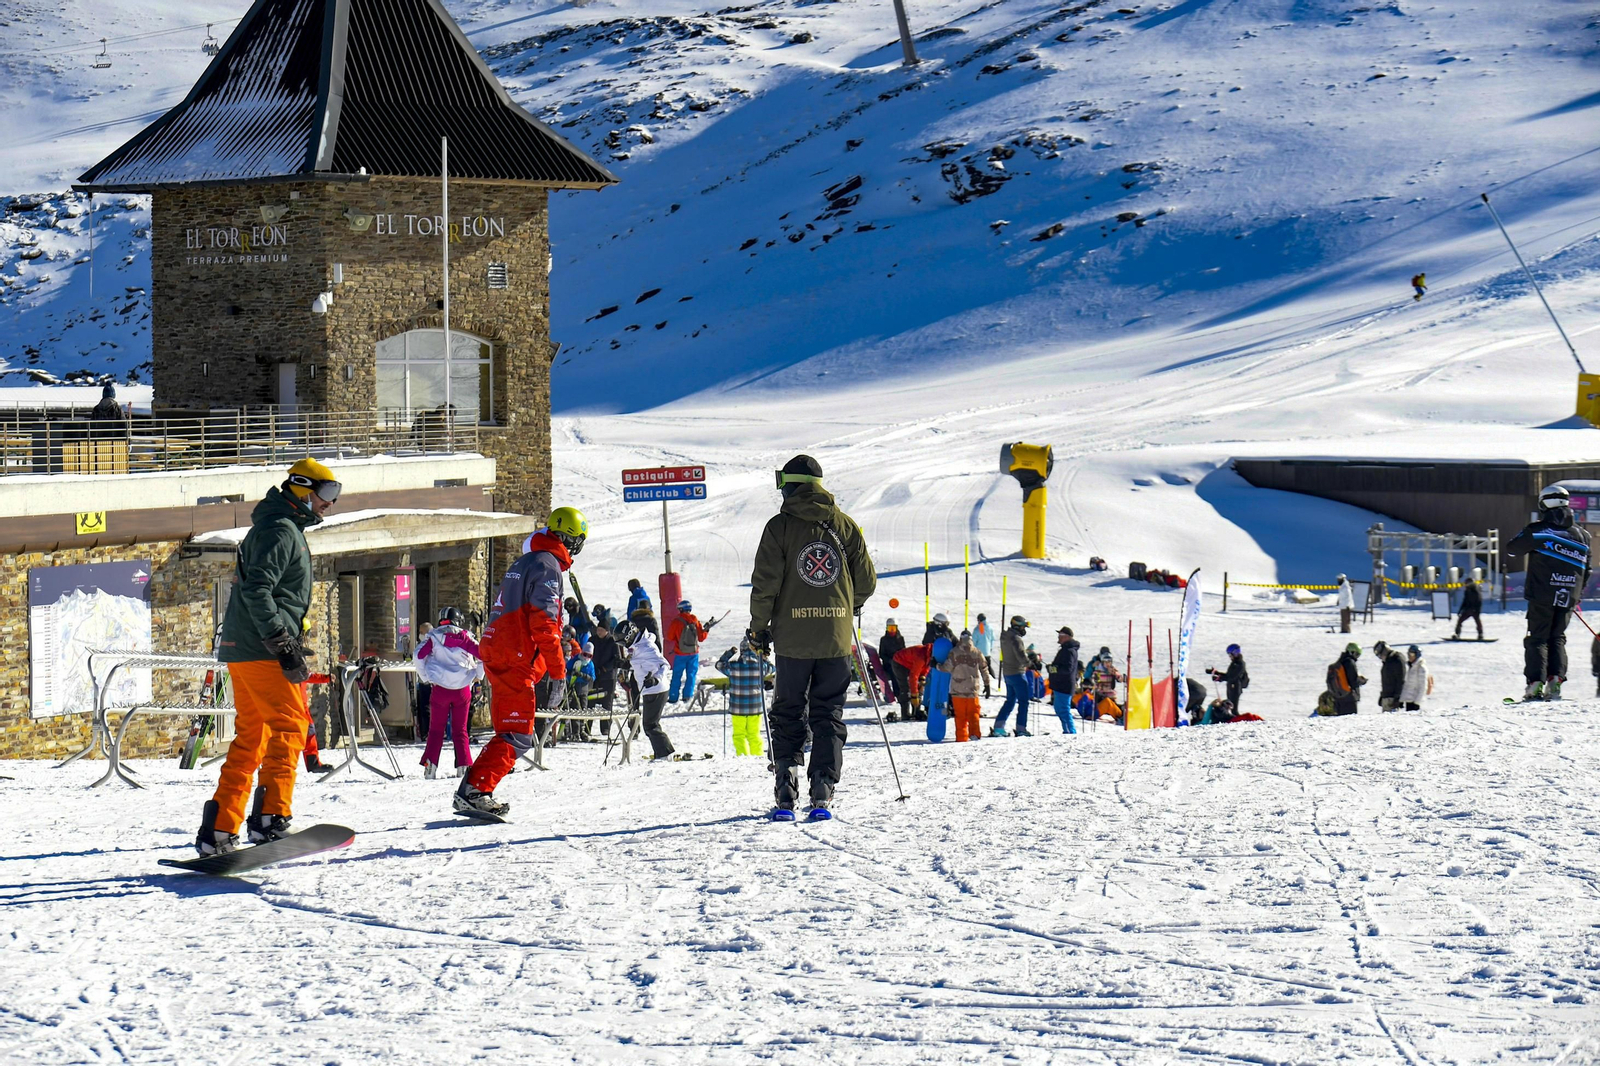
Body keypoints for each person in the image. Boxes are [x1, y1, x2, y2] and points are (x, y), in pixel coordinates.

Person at [195, 458, 339, 855]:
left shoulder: (277, 527)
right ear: (301, 488)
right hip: (261, 649)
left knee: (252, 737)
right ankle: (271, 819)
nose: (330, 503)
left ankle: (220, 829)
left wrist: (290, 634)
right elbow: (258, 590)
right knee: (291, 727)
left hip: (245, 648)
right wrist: (281, 640)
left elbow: (268, 593)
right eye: (327, 493)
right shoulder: (280, 531)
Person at [748, 454, 877, 818]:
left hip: (792, 641)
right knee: (828, 712)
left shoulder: (779, 527)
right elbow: (866, 582)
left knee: (788, 711)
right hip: (836, 640)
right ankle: (823, 784)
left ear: (790, 485)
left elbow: (765, 585)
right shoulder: (845, 526)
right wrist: (844, 609)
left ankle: (786, 784)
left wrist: (760, 628)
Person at [455, 507, 587, 817]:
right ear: (572, 540)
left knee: (509, 732)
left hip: (501, 651)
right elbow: (544, 624)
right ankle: (475, 790)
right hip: (516, 658)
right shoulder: (548, 566)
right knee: (517, 735)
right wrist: (558, 672)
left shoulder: (526, 561)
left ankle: (476, 789)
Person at [1505, 485, 1592, 700]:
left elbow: (1512, 548)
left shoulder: (1538, 530)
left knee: (1538, 638)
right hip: (1569, 594)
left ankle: (1535, 683)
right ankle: (1555, 681)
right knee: (1558, 637)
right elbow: (1587, 569)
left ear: (1544, 504)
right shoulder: (1583, 535)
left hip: (1542, 593)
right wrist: (1577, 593)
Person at [414, 606, 483, 779]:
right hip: (462, 689)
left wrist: (425, 676)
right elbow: (484, 654)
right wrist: (478, 676)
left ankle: (430, 766)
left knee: (435, 729)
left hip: (440, 689)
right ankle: (463, 766)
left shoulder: (434, 637)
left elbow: (418, 655)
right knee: (460, 730)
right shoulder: (466, 637)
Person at [627, 623, 676, 758]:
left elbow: (665, 664)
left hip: (656, 688)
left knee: (650, 725)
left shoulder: (647, 647)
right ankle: (663, 751)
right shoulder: (638, 646)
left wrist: (656, 679)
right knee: (650, 725)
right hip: (649, 689)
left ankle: (665, 753)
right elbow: (640, 664)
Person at [717, 639, 767, 757]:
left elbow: (719, 665)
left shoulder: (733, 667)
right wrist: (763, 656)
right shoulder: (760, 666)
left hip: (737, 707)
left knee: (739, 735)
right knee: (754, 734)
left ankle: (743, 755)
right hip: (755, 707)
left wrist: (729, 654)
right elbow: (772, 668)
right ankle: (758, 755)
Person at [990, 615, 1031, 737]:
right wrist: (1031, 663)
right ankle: (1021, 729)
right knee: (1023, 701)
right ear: (1017, 626)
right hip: (1017, 673)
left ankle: (998, 727)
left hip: (1007, 673)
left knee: (1010, 701)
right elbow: (1020, 656)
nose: (1024, 630)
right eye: (1023, 627)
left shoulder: (1006, 636)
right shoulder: (1016, 639)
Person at [666, 600, 713, 704]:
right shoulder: (695, 620)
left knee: (677, 675)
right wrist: (706, 630)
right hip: (693, 653)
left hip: (680, 653)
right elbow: (701, 638)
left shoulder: (676, 621)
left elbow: (669, 636)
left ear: (681, 609)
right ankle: (687, 696)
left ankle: (673, 697)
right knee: (691, 675)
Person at [946, 631, 990, 742]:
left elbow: (947, 668)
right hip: (972, 689)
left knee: (960, 716)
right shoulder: (977, 652)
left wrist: (936, 665)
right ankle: (975, 734)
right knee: (974, 713)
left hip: (957, 690)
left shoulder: (954, 652)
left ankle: (961, 737)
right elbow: (984, 669)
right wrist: (987, 684)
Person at [1047, 626, 1080, 736]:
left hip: (1064, 685)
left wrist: (1053, 669)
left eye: (1061, 635)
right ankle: (1067, 730)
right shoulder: (1066, 649)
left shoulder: (1069, 651)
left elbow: (1067, 669)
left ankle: (1071, 732)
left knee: (1064, 710)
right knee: (1059, 708)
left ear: (1067, 637)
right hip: (1060, 684)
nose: (1059, 637)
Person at [590, 623, 621, 735]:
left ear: (607, 631)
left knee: (607, 703)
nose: (599, 632)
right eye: (598, 630)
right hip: (593, 675)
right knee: (590, 701)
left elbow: (616, 659)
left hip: (608, 676)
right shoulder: (592, 639)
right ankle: (587, 727)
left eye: (602, 630)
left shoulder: (613, 641)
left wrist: (604, 668)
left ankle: (605, 728)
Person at [892, 641, 931, 722]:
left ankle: (916, 711)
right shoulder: (921, 656)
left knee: (919, 687)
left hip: (910, 664)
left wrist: (922, 678)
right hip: (899, 662)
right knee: (905, 688)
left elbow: (926, 667)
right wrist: (914, 695)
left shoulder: (930, 655)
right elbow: (913, 676)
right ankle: (905, 714)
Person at [879, 618, 910, 721]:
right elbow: (882, 654)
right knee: (894, 672)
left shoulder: (900, 638)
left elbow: (903, 651)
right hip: (889, 664)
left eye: (893, 628)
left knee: (904, 672)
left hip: (899, 662)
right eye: (890, 628)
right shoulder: (884, 639)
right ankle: (897, 693)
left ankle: (905, 692)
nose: (892, 630)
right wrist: (889, 660)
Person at [1207, 644, 1248, 714]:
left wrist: (1219, 678)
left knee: (1233, 708)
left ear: (1235, 653)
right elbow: (1228, 675)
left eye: (1230, 655)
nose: (1230, 657)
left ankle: (1236, 721)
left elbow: (1232, 677)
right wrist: (1216, 672)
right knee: (1230, 707)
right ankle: (1233, 720)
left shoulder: (1240, 664)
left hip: (1235, 688)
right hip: (1231, 687)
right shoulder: (1234, 663)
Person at [1326, 643, 1365, 716]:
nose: (1357, 657)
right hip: (1349, 698)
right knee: (1350, 721)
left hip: (1338, 697)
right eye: (1357, 654)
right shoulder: (1350, 662)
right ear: (1351, 652)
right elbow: (1353, 681)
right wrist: (1361, 681)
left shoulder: (1339, 662)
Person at [1372, 640, 1406, 711]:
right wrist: (1382, 695)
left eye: (1380, 655)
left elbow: (1401, 680)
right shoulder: (1387, 661)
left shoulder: (1397, 659)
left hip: (1393, 699)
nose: (1380, 657)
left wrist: (1398, 698)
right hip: (1386, 697)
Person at [970, 613, 995, 697]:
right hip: (987, 652)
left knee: (976, 671)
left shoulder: (978, 629)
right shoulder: (990, 627)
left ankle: (977, 686)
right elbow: (992, 639)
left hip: (978, 653)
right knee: (987, 669)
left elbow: (973, 641)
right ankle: (993, 682)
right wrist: (990, 648)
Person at [1401, 645, 1429, 711]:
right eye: (1408, 654)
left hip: (1415, 702)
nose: (1409, 656)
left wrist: (1417, 702)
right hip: (1409, 701)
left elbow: (1423, 686)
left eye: (1412, 654)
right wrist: (1402, 700)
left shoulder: (1421, 668)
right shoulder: (1411, 667)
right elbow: (1407, 686)